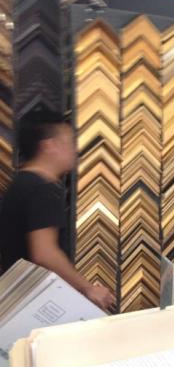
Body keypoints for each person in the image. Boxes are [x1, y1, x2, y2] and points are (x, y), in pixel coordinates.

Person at [0, 110, 115, 311]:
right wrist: (88, 287)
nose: (75, 150)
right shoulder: (41, 189)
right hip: (37, 304)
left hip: (21, 298)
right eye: (69, 142)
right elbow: (44, 253)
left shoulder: (22, 183)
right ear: (49, 146)